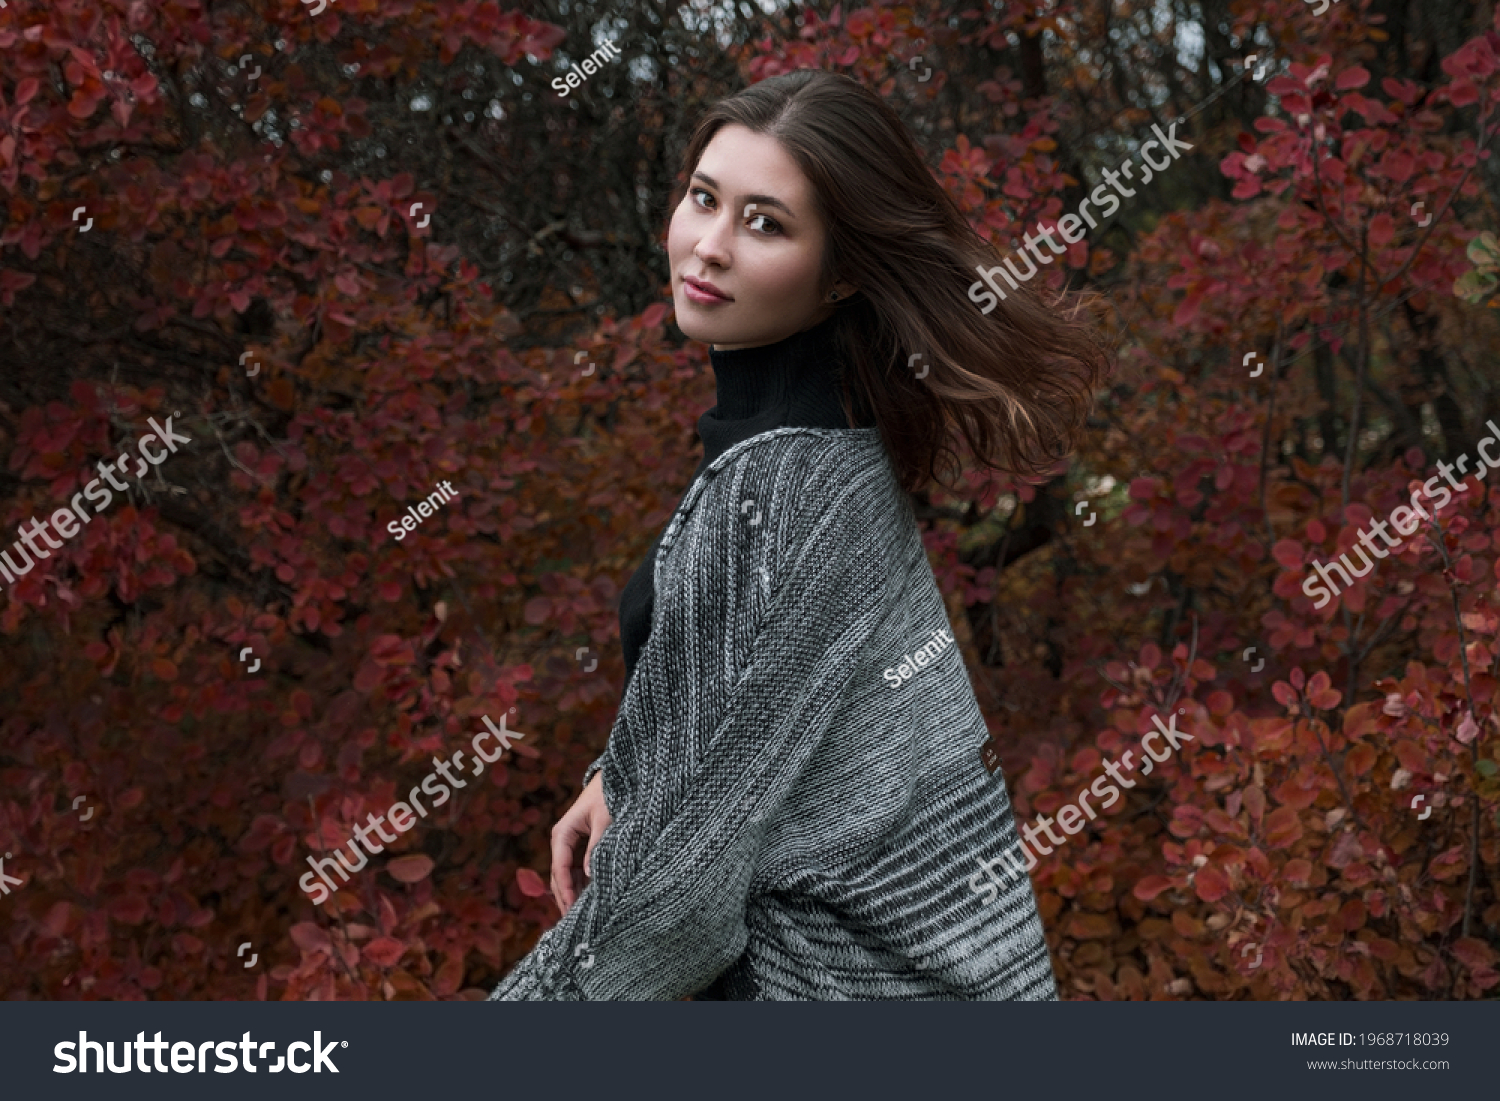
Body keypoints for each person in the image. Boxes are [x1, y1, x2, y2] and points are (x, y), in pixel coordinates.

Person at [488, 68, 1111, 1001]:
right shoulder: (834, 444)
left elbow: (672, 905)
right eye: (704, 198)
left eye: (765, 223)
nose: (709, 245)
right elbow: (771, 710)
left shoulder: (779, 490)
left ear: (844, 271)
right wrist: (627, 772)